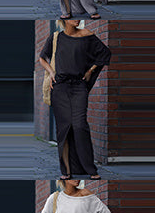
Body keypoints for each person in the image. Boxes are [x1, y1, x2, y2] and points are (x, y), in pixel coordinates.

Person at [38, 18, 111, 178]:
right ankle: (67, 172)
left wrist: (90, 70)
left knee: (80, 125)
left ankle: (90, 169)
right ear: (64, 19)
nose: (77, 19)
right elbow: (42, 58)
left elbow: (105, 53)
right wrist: (51, 73)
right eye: (73, 16)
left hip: (79, 86)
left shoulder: (87, 35)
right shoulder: (56, 37)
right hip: (60, 87)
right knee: (64, 128)